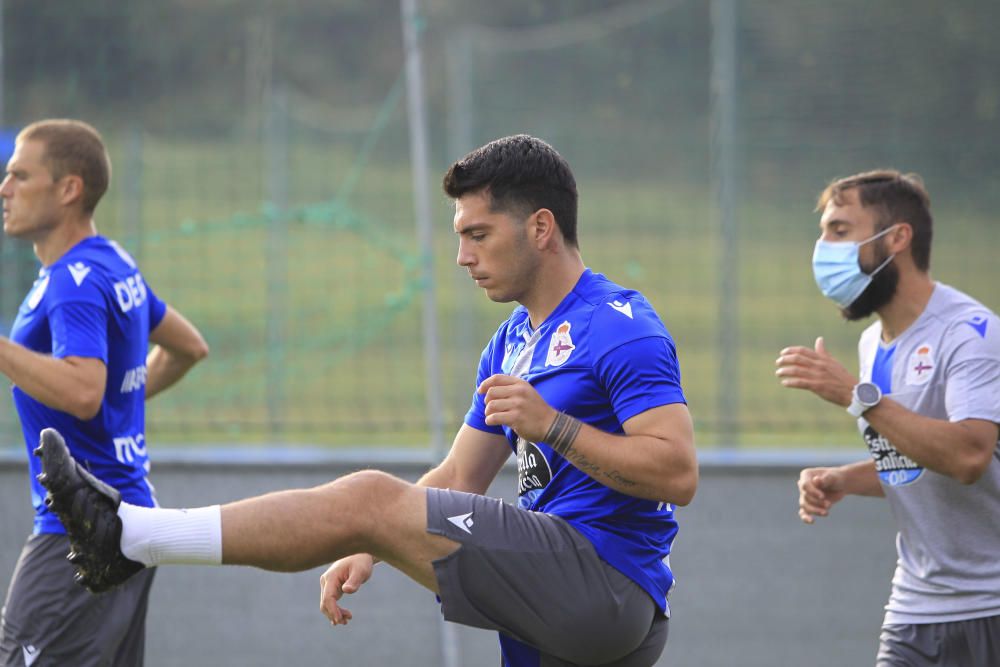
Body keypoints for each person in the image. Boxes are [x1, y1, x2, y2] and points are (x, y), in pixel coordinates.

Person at [34, 134, 698, 666]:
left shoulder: (617, 324)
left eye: (478, 233)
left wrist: (552, 426)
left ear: (542, 228)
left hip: (603, 580)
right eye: (459, 234)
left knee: (366, 495)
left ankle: (131, 536)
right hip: (569, 612)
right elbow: (461, 477)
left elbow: (677, 470)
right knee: (371, 509)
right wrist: (372, 539)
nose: (462, 255)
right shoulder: (511, 341)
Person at [0, 119, 209, 667]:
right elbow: (188, 347)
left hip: (78, 535)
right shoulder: (111, 263)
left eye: (20, 176)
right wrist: (124, 401)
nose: (4, 188)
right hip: (129, 522)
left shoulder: (75, 281)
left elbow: (84, 390)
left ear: (68, 189)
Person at [775, 170, 1000, 666]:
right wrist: (847, 478)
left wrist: (857, 397)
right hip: (913, 610)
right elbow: (916, 454)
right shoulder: (872, 341)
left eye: (839, 231)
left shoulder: (972, 333)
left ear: (897, 238)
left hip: (990, 607)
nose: (823, 250)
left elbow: (967, 457)